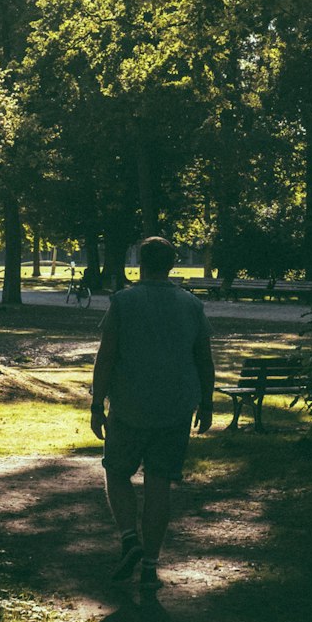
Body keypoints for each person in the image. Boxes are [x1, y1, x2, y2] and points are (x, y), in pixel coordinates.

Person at [90, 236, 214, 592]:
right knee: (160, 483)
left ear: (139, 262)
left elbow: (106, 357)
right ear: (172, 264)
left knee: (116, 472)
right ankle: (149, 566)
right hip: (175, 407)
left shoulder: (123, 303)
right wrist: (206, 402)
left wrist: (98, 404)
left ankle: (130, 538)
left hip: (128, 405)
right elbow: (203, 359)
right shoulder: (191, 305)